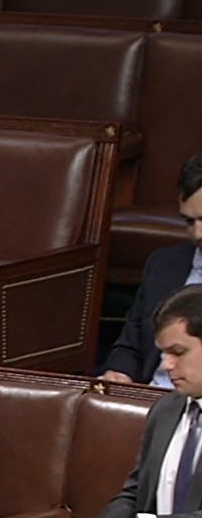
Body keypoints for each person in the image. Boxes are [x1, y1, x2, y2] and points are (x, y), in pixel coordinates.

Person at [64, 284, 202, 518]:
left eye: (178, 352)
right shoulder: (166, 410)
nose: (166, 366)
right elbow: (136, 493)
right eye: (163, 353)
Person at [99, 154, 202, 386]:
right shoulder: (164, 264)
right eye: (189, 222)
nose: (197, 234)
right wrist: (120, 372)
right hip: (153, 405)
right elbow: (131, 345)